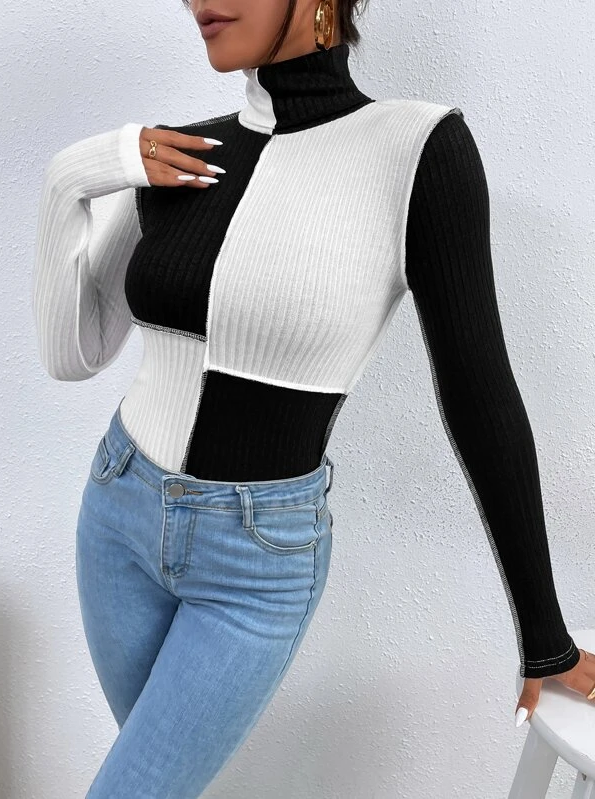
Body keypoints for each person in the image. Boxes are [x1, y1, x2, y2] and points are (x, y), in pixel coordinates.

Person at [32, 0, 595, 795]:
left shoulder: (415, 148)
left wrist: (545, 638)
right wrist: (72, 177)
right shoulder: (179, 155)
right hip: (115, 519)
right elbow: (72, 354)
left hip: (254, 563)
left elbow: (479, 390)